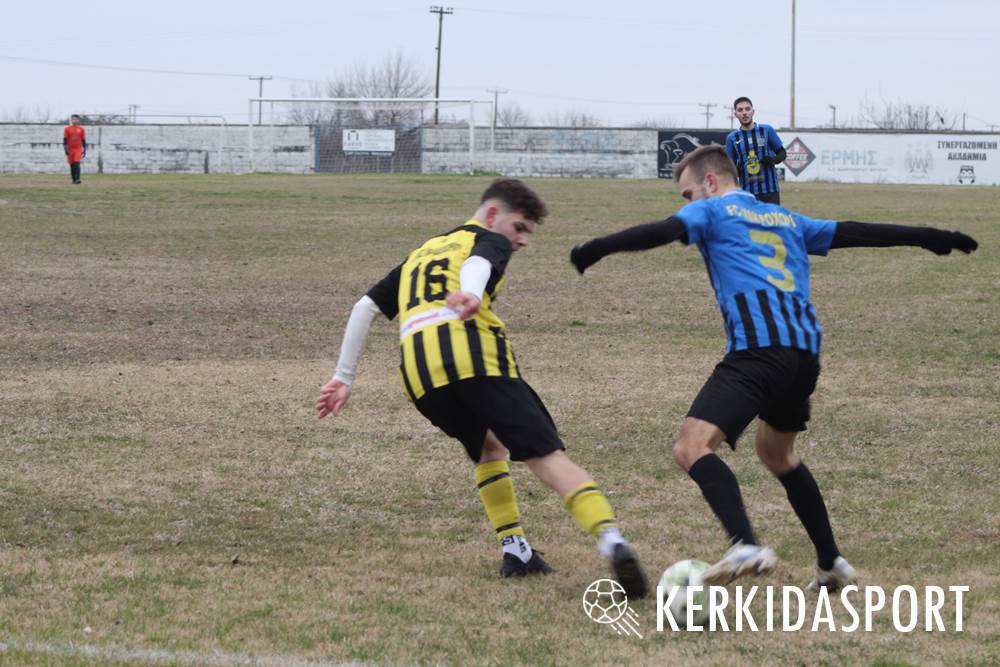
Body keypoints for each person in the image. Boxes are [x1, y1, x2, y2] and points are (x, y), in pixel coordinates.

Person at [569, 146, 977, 589]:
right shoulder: (786, 218)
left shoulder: (712, 210)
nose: (687, 203)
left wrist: (597, 248)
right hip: (803, 356)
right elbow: (856, 231)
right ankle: (831, 563)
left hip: (758, 352)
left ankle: (745, 543)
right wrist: (930, 236)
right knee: (777, 454)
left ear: (711, 182)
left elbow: (664, 230)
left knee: (691, 447)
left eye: (688, 194)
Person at [316, 178, 648, 598]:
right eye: (520, 228)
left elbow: (364, 307)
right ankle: (612, 540)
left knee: (489, 448)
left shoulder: (423, 252)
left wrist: (344, 377)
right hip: (474, 358)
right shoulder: (490, 239)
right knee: (546, 456)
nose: (521, 240)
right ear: (492, 215)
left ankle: (516, 551)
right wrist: (472, 295)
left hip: (421, 377)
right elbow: (478, 264)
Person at [725, 97, 785, 204]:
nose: (744, 113)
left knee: (772, 216)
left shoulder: (767, 130)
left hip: (770, 191)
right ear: (735, 114)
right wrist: (736, 170)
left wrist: (773, 159)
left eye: (747, 109)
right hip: (747, 193)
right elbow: (730, 167)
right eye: (740, 110)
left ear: (753, 111)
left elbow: (782, 153)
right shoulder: (732, 138)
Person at [63, 115, 87, 184]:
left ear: (78, 120)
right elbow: (65, 140)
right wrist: (65, 149)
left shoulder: (81, 129)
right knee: (72, 164)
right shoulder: (67, 129)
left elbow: (83, 140)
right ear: (71, 120)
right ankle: (74, 179)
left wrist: (84, 149)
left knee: (77, 163)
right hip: (70, 149)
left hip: (78, 149)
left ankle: (78, 179)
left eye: (76, 119)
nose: (74, 120)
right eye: (73, 119)